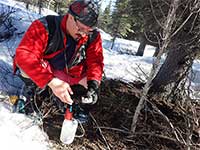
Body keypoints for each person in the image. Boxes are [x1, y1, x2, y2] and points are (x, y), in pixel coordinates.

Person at [13, 0, 104, 114]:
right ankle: (34, 91)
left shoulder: (93, 35)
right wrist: (51, 81)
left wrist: (93, 83)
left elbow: (96, 60)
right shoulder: (46, 25)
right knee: (25, 69)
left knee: (92, 80)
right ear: (70, 17)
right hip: (46, 69)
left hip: (70, 73)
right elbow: (24, 55)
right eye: (81, 29)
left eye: (88, 31)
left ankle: (72, 101)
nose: (84, 34)